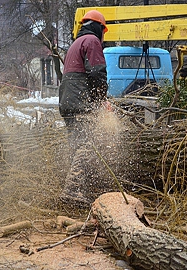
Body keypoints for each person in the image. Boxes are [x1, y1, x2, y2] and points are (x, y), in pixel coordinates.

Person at [58, 10, 112, 207]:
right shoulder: (92, 41)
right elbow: (97, 72)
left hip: (67, 99)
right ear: (99, 27)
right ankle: (73, 190)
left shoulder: (75, 43)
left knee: (75, 144)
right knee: (87, 144)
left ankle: (75, 186)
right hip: (80, 99)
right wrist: (102, 99)